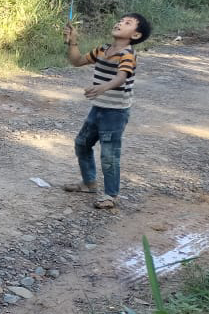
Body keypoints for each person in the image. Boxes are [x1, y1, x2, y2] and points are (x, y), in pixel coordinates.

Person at [61, 13, 151, 210]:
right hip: (99, 108)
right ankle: (89, 183)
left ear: (135, 36)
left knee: (109, 155)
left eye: (127, 23)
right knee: (82, 144)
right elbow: (77, 61)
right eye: (121, 20)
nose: (120, 22)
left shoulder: (127, 54)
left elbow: (120, 78)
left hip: (116, 113)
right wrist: (72, 42)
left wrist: (102, 87)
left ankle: (111, 195)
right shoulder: (102, 50)